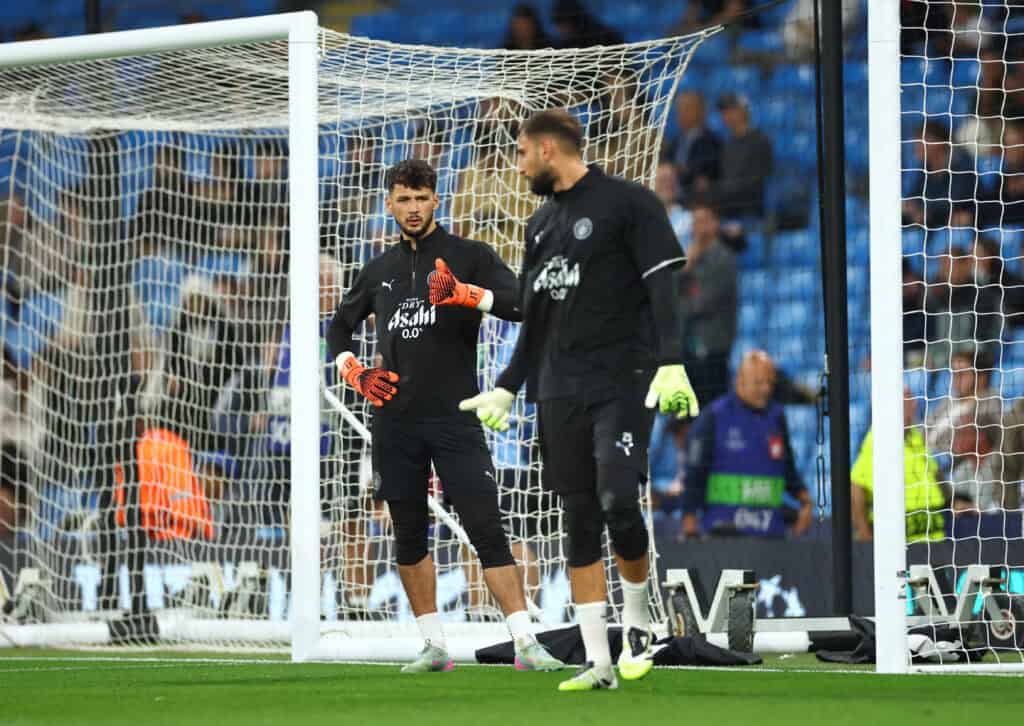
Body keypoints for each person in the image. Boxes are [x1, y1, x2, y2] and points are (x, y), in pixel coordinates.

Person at [460, 109, 697, 691]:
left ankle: (639, 624)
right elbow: (536, 318)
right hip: (557, 388)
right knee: (579, 519)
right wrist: (507, 385)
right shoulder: (539, 225)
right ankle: (599, 664)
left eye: (520, 155)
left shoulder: (629, 203)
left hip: (622, 377)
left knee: (619, 496)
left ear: (546, 150)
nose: (516, 168)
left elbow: (662, 284)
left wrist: (672, 361)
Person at [324, 159, 562, 673]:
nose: (413, 209)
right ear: (389, 204)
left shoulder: (467, 256)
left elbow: (523, 303)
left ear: (437, 200)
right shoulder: (378, 270)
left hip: (456, 418)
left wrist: (465, 294)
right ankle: (433, 646)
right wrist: (356, 373)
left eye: (421, 198)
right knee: (408, 534)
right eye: (403, 199)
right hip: (394, 421)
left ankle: (525, 642)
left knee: (486, 528)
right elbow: (338, 328)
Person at [681, 350, 812, 540]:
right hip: (724, 534)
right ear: (740, 380)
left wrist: (806, 501)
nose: (766, 388)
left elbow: (788, 468)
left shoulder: (777, 416)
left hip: (771, 535)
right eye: (759, 382)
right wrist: (689, 522)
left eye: (770, 382)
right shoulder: (714, 416)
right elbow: (694, 472)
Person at [851, 388, 947, 543]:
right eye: (905, 399)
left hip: (933, 538)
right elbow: (856, 487)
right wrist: (865, 535)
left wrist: (954, 501)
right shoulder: (878, 439)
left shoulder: (916, 436)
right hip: (901, 544)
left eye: (911, 398)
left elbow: (936, 476)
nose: (912, 404)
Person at [925, 348, 1003, 513]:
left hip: (954, 469)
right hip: (931, 463)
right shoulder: (947, 402)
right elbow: (923, 430)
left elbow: (972, 442)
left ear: (981, 377)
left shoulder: (989, 403)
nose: (955, 380)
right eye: (953, 374)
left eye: (961, 374)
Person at [678, 200, 737, 405]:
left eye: (704, 221)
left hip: (713, 352)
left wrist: (678, 306)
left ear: (715, 223)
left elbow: (701, 303)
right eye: (695, 221)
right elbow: (666, 292)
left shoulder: (724, 259)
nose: (699, 227)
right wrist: (686, 266)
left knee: (710, 411)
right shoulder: (689, 258)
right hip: (688, 350)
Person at [712, 93, 773, 220]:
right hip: (728, 202)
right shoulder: (728, 144)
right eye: (724, 112)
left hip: (749, 205)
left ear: (744, 111)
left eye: (731, 110)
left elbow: (757, 181)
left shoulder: (759, 141)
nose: (727, 116)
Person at [662, 91, 720, 204]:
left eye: (687, 108)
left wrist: (682, 170)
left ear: (702, 111)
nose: (681, 113)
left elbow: (705, 175)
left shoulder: (712, 142)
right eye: (679, 109)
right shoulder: (674, 142)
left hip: (695, 201)